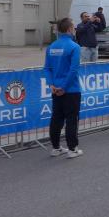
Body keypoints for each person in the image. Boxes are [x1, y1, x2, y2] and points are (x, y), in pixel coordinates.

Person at [44, 17, 84, 158]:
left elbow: (47, 68)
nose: (75, 29)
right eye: (73, 27)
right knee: (71, 119)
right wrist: (64, 87)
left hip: (56, 89)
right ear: (69, 29)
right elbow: (73, 70)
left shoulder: (51, 46)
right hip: (71, 89)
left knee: (56, 118)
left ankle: (56, 148)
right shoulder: (74, 47)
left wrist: (52, 85)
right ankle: (72, 149)